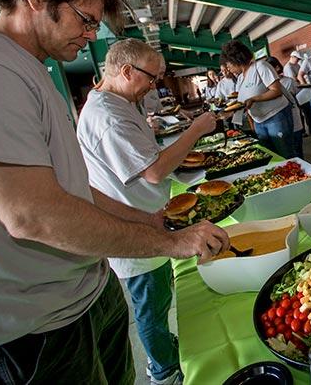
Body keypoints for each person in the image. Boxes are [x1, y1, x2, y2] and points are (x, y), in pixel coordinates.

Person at [0, 0, 229, 384]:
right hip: (25, 333)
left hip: (78, 297)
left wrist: (147, 222)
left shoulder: (29, 71)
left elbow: (74, 188)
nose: (89, 37)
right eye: (85, 21)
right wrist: (170, 245)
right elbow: (32, 215)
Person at [77, 40, 218, 385]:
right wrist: (195, 130)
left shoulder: (117, 101)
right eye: (151, 78)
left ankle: (163, 354)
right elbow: (154, 171)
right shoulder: (108, 116)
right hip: (134, 226)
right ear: (126, 71)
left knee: (157, 296)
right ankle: (163, 369)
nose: (153, 85)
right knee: (151, 307)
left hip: (147, 215)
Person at [219, 41, 294, 158]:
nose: (228, 68)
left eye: (228, 64)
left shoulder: (261, 66)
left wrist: (254, 99)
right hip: (259, 121)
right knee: (270, 155)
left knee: (285, 153)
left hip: (275, 116)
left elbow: (276, 91)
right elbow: (243, 103)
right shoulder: (240, 79)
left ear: (236, 59)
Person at [267, 56, 304, 158]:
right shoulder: (266, 86)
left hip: (294, 119)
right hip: (279, 122)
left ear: (278, 68)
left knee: (297, 149)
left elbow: (298, 97)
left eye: (270, 69)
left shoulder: (289, 81)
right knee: (286, 152)